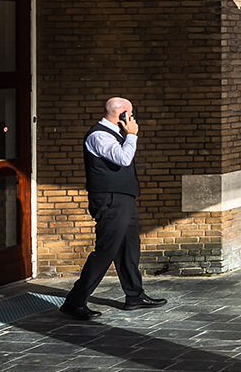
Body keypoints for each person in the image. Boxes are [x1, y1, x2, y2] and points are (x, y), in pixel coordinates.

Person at [61, 98, 165, 320]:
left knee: (129, 246)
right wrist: (133, 135)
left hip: (123, 198)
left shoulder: (115, 134)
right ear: (123, 116)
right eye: (131, 114)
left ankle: (135, 295)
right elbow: (123, 159)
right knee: (106, 250)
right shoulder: (99, 136)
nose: (133, 118)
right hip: (109, 201)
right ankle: (75, 301)